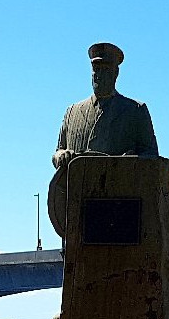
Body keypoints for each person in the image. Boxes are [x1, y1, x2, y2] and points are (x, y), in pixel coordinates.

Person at [47, 43, 159, 237]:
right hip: (79, 214)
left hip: (119, 213)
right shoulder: (72, 112)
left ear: (116, 74)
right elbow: (58, 151)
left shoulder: (135, 111)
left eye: (105, 69)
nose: (98, 74)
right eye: (95, 69)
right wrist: (60, 156)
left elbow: (151, 157)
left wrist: (129, 163)